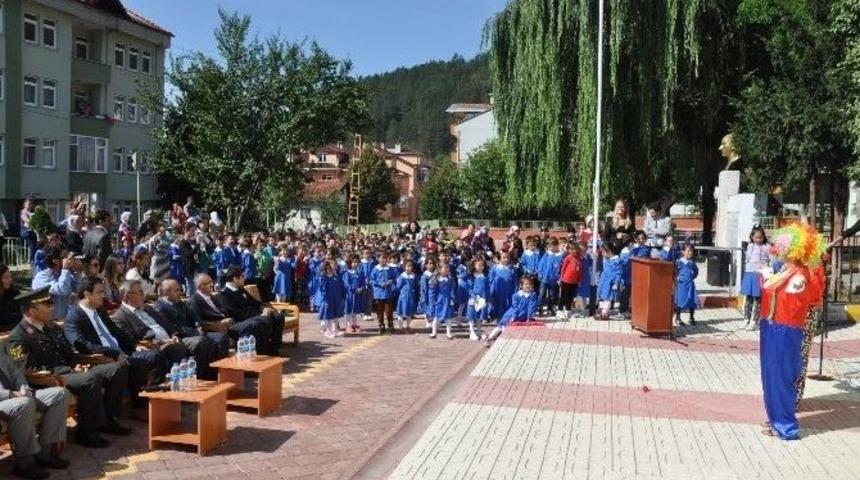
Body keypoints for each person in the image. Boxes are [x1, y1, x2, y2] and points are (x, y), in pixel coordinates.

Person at [9, 286, 130, 449]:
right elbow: (27, 369)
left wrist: (76, 364)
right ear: (31, 311)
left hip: (71, 371)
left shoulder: (52, 328)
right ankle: (87, 433)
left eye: (51, 303)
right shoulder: (18, 336)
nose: (52, 308)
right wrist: (66, 371)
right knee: (91, 379)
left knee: (116, 369)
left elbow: (69, 353)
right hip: (49, 379)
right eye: (47, 305)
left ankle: (109, 419)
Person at [758, 224, 825, 440]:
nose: (778, 249)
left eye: (782, 246)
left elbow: (789, 298)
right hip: (771, 327)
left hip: (785, 331)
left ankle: (786, 425)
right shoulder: (787, 270)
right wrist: (768, 277)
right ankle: (775, 419)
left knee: (782, 377)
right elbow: (771, 290)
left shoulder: (800, 275)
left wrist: (767, 279)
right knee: (770, 376)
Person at [64, 276, 168, 410]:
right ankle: (123, 412)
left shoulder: (99, 311)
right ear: (87, 294)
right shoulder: (74, 316)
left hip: (122, 352)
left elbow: (116, 331)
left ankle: (153, 400)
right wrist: (112, 353)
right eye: (100, 292)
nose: (104, 296)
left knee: (156, 355)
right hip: (103, 359)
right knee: (136, 365)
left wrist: (135, 344)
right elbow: (80, 343)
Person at [0, 345, 70, 479]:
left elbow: (14, 372)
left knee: (60, 394)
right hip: (5, 399)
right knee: (24, 404)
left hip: (17, 395)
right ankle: (24, 463)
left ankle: (45, 453)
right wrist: (10, 394)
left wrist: (24, 388)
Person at [153, 279, 227, 377]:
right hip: (182, 336)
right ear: (167, 292)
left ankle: (219, 372)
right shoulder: (159, 307)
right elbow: (172, 327)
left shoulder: (180, 303)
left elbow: (193, 316)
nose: (180, 292)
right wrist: (194, 332)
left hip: (193, 332)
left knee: (220, 337)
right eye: (177, 290)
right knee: (201, 341)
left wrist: (198, 326)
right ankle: (202, 376)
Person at [188, 273, 271, 354]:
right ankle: (253, 356)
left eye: (211, 282)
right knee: (251, 325)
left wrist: (228, 319)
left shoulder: (212, 297)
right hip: (218, 327)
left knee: (259, 322)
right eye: (208, 283)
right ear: (199, 287)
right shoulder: (194, 301)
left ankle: (264, 354)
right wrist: (218, 324)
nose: (212, 284)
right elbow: (199, 322)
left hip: (229, 323)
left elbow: (225, 311)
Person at [215, 266, 285, 355]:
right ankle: (264, 352)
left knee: (278, 317)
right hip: (240, 321)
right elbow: (236, 314)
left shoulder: (240, 289)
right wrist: (260, 315)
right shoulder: (224, 294)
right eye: (242, 276)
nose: (245, 278)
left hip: (253, 316)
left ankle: (274, 348)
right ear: (235, 279)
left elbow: (254, 302)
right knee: (263, 320)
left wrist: (263, 308)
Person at [484, 276, 538, 348]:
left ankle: (502, 341)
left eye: (530, 284)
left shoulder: (532, 295)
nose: (528, 286)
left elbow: (531, 307)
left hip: (522, 316)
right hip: (511, 314)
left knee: (512, 329)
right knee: (502, 326)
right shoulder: (516, 295)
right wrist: (513, 317)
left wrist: (529, 317)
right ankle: (490, 338)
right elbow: (515, 307)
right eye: (526, 284)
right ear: (521, 285)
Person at [31, 247, 79, 321]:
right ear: (55, 261)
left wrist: (78, 271)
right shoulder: (41, 277)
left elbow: (81, 291)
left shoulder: (65, 274)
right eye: (66, 257)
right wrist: (65, 269)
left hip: (65, 319)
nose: (69, 261)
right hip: (50, 322)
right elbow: (63, 290)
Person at [741, 225, 770, 331]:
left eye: (760, 237)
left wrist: (767, 270)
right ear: (752, 237)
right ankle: (746, 319)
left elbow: (771, 259)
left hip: (759, 275)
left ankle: (754, 321)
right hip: (749, 273)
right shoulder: (749, 246)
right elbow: (747, 259)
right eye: (756, 237)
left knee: (757, 299)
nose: (758, 239)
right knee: (748, 298)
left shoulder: (767, 247)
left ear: (763, 237)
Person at [537, 238, 563, 318]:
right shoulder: (547, 254)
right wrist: (540, 273)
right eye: (549, 246)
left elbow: (562, 268)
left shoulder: (560, 256)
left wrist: (559, 278)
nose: (551, 248)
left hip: (554, 280)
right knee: (542, 294)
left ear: (556, 246)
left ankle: (551, 308)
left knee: (552, 295)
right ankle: (540, 309)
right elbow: (541, 264)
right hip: (545, 279)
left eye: (552, 246)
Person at [429, 262, 456, 339]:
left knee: (448, 317)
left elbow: (452, 289)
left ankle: (448, 333)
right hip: (439, 301)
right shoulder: (435, 279)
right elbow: (432, 291)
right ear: (439, 269)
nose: (447, 269)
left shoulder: (450, 279)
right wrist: (433, 300)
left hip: (447, 300)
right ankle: (434, 332)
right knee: (436, 317)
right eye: (445, 268)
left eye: (448, 268)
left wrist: (452, 298)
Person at [596, 242, 623, 320]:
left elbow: (619, 273)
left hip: (610, 282)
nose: (602, 254)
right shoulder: (606, 259)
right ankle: (601, 310)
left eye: (603, 252)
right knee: (602, 295)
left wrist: (616, 283)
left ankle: (604, 313)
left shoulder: (616, 261)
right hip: (603, 281)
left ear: (609, 251)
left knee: (608, 297)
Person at [673, 244, 699, 326]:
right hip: (681, 285)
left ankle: (691, 318)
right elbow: (674, 272)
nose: (690, 253)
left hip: (690, 284)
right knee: (680, 301)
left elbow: (696, 271)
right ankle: (678, 317)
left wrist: (692, 278)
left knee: (692, 300)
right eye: (688, 251)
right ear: (683, 252)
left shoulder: (692, 263)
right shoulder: (679, 262)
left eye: (691, 251)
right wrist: (677, 279)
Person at [465, 257, 490, 341]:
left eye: (482, 265)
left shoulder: (484, 276)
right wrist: (474, 296)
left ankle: (479, 331)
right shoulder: (472, 276)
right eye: (479, 265)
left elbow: (487, 288)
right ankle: (471, 332)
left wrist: (487, 298)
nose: (481, 267)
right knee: (471, 315)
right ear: (474, 266)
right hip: (473, 298)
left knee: (479, 315)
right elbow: (469, 288)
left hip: (481, 299)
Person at [370, 251, 395, 333]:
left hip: (388, 294)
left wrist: (390, 281)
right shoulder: (375, 269)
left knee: (389, 310)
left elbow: (394, 278)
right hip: (378, 294)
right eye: (382, 258)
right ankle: (381, 324)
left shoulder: (390, 269)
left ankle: (390, 324)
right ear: (378, 259)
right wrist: (380, 284)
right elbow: (372, 280)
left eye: (385, 258)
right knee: (379, 310)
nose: (384, 260)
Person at [489, 251, 517, 320]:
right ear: (499, 258)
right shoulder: (495, 268)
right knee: (497, 303)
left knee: (509, 303)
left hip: (509, 290)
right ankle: (496, 315)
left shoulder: (512, 268)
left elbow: (515, 280)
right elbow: (490, 279)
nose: (506, 259)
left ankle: (508, 316)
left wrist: (516, 288)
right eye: (504, 257)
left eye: (507, 257)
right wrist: (491, 289)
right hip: (498, 290)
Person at [316, 261, 341, 338]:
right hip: (327, 299)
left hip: (334, 299)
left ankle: (335, 330)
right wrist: (326, 300)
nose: (334, 268)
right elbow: (323, 290)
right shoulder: (324, 278)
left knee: (334, 315)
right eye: (332, 267)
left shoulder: (334, 277)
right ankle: (328, 331)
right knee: (329, 316)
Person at [342, 256, 365, 333]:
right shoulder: (347, 273)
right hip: (350, 294)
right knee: (349, 310)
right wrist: (354, 289)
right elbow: (346, 284)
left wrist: (361, 288)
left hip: (357, 294)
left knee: (354, 310)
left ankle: (354, 324)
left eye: (357, 262)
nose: (355, 264)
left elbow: (363, 282)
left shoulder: (359, 273)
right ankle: (348, 325)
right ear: (350, 263)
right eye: (354, 262)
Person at [559, 243, 582, 319]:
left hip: (574, 281)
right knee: (564, 296)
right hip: (565, 280)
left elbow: (580, 271)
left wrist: (579, 280)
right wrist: (560, 279)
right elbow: (563, 269)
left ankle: (568, 310)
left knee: (571, 296)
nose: (573, 251)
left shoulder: (579, 258)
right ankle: (561, 310)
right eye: (571, 249)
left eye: (574, 249)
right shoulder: (568, 258)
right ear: (568, 250)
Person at [395, 260, 419, 331]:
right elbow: (398, 286)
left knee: (409, 312)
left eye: (410, 266)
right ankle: (400, 326)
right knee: (401, 312)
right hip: (403, 297)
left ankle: (407, 325)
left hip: (411, 297)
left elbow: (416, 285)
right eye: (407, 266)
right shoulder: (402, 276)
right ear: (404, 267)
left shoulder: (414, 276)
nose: (409, 268)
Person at [0, 264, 23, 331]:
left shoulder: (15, 293)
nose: (10, 280)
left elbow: (21, 315)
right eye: (6, 278)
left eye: (10, 277)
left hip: (15, 331)